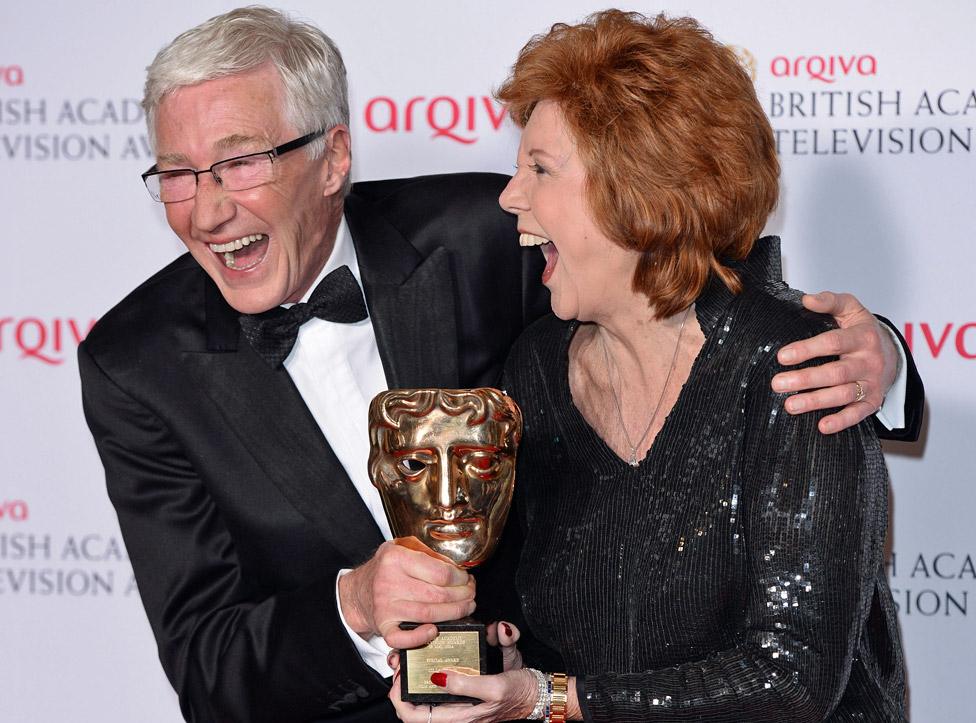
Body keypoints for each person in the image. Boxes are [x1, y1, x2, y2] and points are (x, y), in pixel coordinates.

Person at [77, 7, 919, 723]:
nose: (208, 206)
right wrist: (361, 610)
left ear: (333, 157)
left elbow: (689, 271)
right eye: (179, 174)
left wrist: (879, 349)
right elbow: (207, 662)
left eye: (240, 160)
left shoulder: (490, 238)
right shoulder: (135, 364)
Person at [388, 11, 910, 722]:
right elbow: (564, 621)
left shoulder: (797, 367)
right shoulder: (536, 368)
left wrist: (552, 700)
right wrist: (508, 663)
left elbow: (791, 680)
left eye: (539, 169)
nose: (510, 196)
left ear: (640, 190)